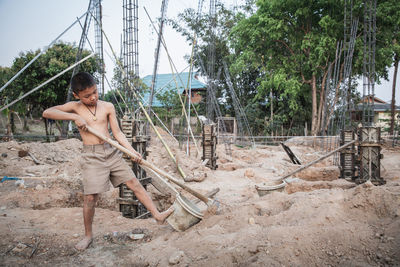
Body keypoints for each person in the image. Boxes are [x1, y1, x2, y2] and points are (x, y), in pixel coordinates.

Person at [42, 72, 173, 251]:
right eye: (87, 96)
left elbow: (118, 133)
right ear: (76, 95)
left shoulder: (108, 106)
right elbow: (47, 112)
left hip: (110, 152)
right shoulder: (74, 107)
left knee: (134, 183)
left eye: (95, 92)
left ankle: (157, 215)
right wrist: (74, 117)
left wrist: (132, 151)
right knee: (90, 197)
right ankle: (88, 235)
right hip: (91, 156)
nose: (93, 97)